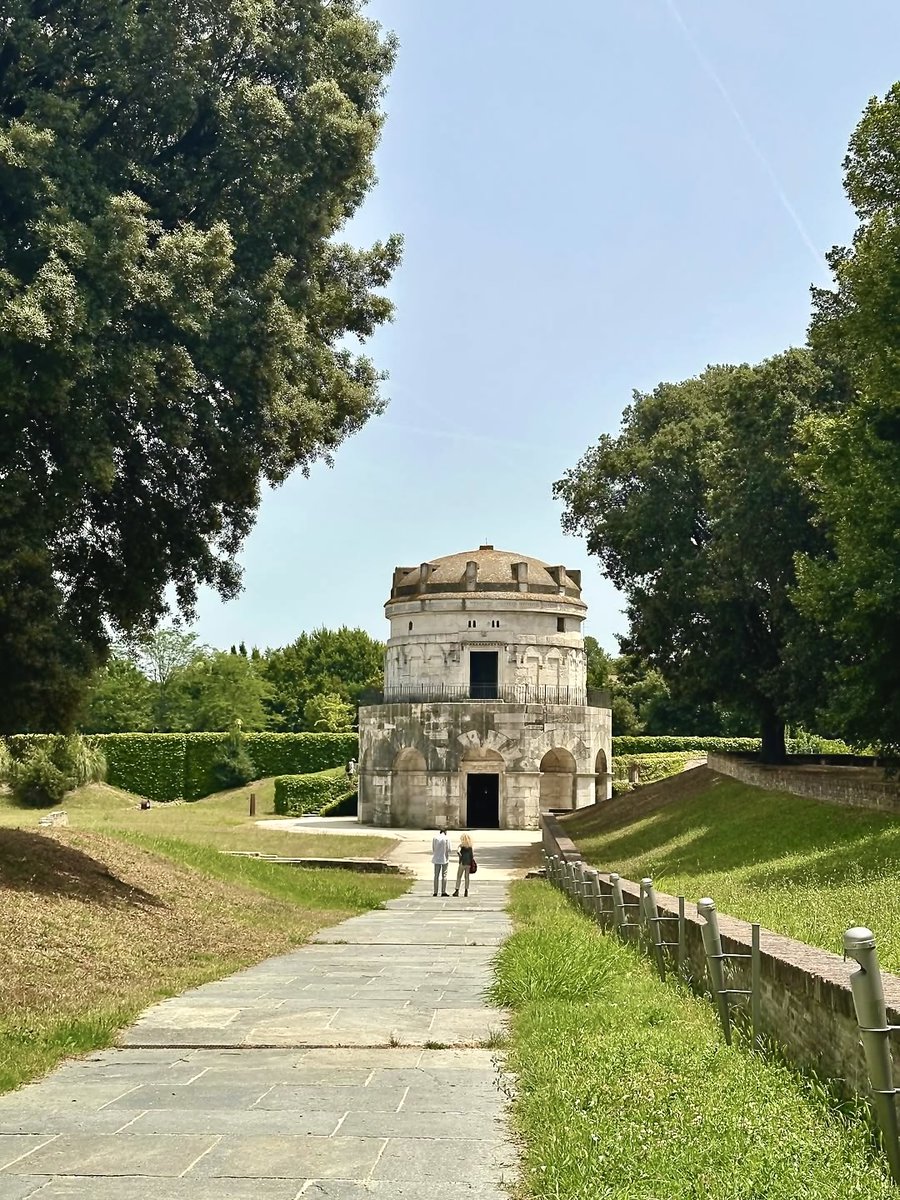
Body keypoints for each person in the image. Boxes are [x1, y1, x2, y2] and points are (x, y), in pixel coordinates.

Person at [431, 827, 451, 896]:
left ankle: (435, 891)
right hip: (444, 858)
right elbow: (449, 849)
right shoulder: (447, 838)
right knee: (444, 875)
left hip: (436, 859)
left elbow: (433, 848)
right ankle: (443, 891)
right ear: (445, 832)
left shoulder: (435, 838)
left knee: (436, 875)